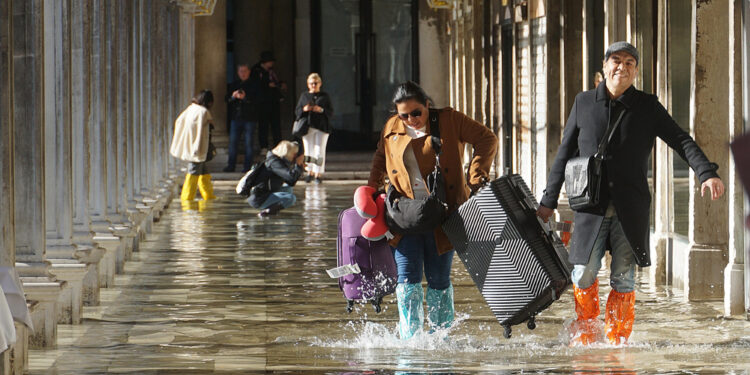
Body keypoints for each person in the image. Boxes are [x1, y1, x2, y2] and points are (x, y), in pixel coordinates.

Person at [535, 41, 725, 346]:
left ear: (635, 71)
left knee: (624, 276)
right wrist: (547, 202)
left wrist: (706, 172)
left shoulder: (647, 106)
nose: (622, 67)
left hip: (630, 208)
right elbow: (564, 153)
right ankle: (587, 332)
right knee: (583, 272)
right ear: (604, 66)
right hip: (590, 208)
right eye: (616, 61)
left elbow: (680, 139)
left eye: (629, 63)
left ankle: (618, 341)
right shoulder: (584, 103)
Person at [367, 81, 498, 339]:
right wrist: (370, 193)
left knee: (438, 280)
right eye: (404, 115)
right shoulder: (391, 128)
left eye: (416, 113)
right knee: (407, 279)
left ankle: (441, 338)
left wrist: (476, 176)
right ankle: (411, 341)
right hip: (404, 215)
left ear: (427, 104)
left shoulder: (449, 120)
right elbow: (380, 160)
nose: (411, 120)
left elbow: (487, 139)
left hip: (443, 215)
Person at [170, 89, 217, 202]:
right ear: (209, 102)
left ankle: (209, 197)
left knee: (203, 171)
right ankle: (187, 199)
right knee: (193, 172)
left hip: (191, 146)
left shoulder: (190, 109)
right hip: (198, 148)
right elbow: (202, 132)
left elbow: (179, 123)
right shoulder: (203, 112)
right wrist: (197, 148)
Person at [247, 140, 305, 218]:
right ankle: (266, 212)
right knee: (291, 198)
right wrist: (297, 165)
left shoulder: (276, 161)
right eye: (294, 154)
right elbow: (291, 177)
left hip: (265, 192)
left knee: (288, 188)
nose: (295, 157)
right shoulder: (274, 163)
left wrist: (299, 168)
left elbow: (291, 181)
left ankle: (273, 209)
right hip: (259, 198)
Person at [295, 73, 333, 184]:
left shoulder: (324, 96)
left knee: (319, 151)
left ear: (320, 84)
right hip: (308, 126)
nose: (313, 85)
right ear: (308, 84)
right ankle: (309, 172)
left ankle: (318, 173)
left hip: (322, 127)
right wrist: (305, 109)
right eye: (311, 83)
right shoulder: (304, 96)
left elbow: (330, 112)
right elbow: (297, 111)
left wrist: (320, 109)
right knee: (308, 150)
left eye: (315, 83)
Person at [224, 63, 258, 173]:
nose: (243, 73)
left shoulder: (254, 84)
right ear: (238, 73)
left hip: (249, 118)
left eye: (245, 71)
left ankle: (247, 167)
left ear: (249, 72)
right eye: (240, 71)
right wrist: (233, 96)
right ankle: (231, 165)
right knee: (233, 143)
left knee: (249, 143)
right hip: (236, 118)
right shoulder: (234, 84)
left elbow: (258, 100)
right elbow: (226, 99)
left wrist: (245, 98)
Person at [251, 51, 285, 154]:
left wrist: (280, 85)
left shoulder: (271, 71)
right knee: (263, 125)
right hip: (262, 102)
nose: (272, 64)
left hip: (273, 101)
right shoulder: (256, 71)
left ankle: (278, 146)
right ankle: (263, 146)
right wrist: (267, 85)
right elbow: (256, 85)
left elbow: (275, 82)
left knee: (276, 124)